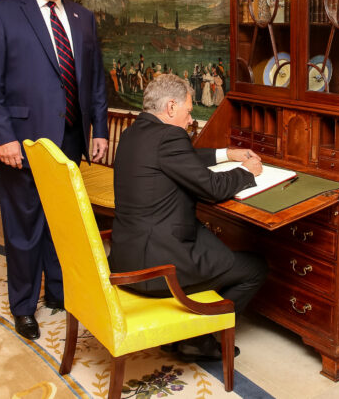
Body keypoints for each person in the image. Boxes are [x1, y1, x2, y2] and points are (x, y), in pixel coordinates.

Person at [0, 0, 109, 340]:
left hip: (71, 138)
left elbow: (96, 81)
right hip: (22, 141)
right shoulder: (2, 13)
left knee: (62, 222)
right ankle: (23, 306)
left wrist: (99, 130)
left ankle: (58, 292)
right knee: (24, 225)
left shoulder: (83, 17)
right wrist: (4, 137)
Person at [110, 74, 268, 361]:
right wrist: (248, 172)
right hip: (158, 268)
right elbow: (213, 188)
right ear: (171, 107)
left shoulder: (136, 132)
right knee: (255, 267)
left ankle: (188, 334)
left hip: (127, 257)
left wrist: (227, 154)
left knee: (215, 244)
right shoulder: (170, 137)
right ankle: (199, 338)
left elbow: (182, 159)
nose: (190, 118)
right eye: (188, 110)